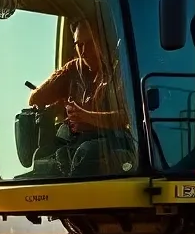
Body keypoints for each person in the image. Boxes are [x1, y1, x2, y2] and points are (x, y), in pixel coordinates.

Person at [27, 19, 134, 175]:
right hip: (73, 140)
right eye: (79, 45)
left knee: (88, 153)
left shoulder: (120, 71)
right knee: (42, 157)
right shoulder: (73, 68)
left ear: (104, 42)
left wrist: (85, 116)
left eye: (89, 44)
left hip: (110, 142)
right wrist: (56, 106)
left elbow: (127, 117)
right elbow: (36, 99)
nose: (83, 52)